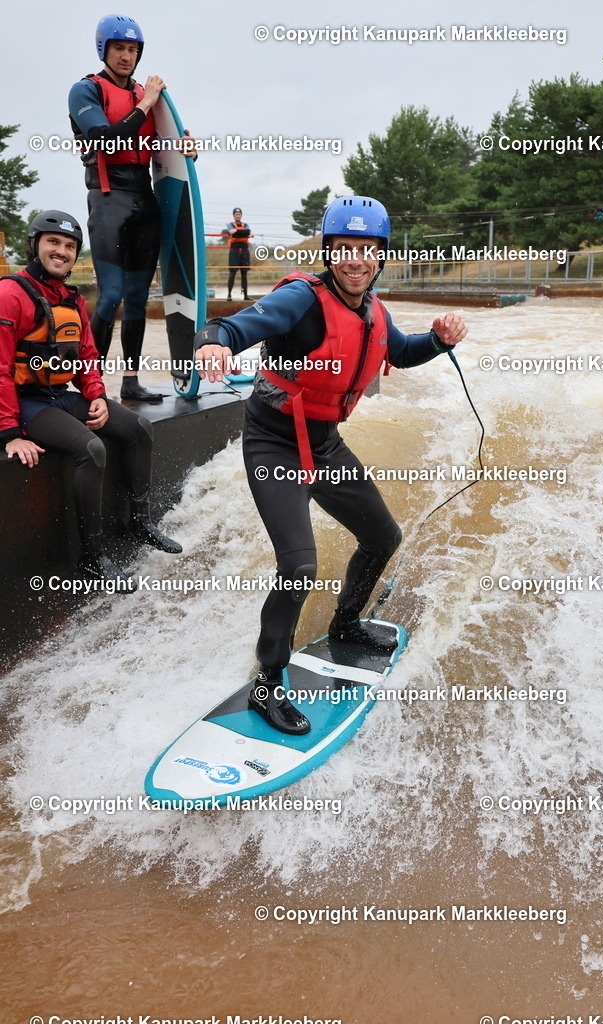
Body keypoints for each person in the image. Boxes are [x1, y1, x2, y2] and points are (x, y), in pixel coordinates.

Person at [194, 195, 467, 736]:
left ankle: (346, 624)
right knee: (298, 566)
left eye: (367, 250)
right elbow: (239, 325)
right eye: (344, 248)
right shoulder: (302, 298)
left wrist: (438, 340)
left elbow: (401, 351)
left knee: (382, 536)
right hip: (274, 442)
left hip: (323, 444)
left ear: (380, 256)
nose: (355, 260)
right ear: (329, 251)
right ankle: (268, 683)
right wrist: (211, 343)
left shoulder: (374, 310)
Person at [0, 210, 182, 589]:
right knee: (91, 448)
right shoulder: (9, 294)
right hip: (26, 403)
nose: (62, 251)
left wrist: (96, 395)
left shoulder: (70, 297)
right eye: (53, 242)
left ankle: (139, 521)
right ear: (34, 245)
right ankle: (92, 556)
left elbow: (85, 356)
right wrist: (10, 434)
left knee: (138, 427)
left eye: (69, 246)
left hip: (61, 394)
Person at [68, 14, 193, 402]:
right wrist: (147, 102)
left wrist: (185, 149)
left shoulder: (145, 95)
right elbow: (105, 139)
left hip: (145, 200)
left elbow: (163, 152)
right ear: (103, 50)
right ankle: (91, 385)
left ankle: (131, 382)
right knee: (112, 294)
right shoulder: (86, 90)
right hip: (108, 199)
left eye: (133, 49)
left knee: (139, 296)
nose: (126, 56)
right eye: (119, 48)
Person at [225, 208, 252, 301]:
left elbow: (248, 233)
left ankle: (246, 295)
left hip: (244, 250)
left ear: (241, 215)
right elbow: (231, 232)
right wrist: (242, 233)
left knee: (244, 273)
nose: (238, 216)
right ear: (233, 215)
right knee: (232, 272)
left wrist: (237, 232)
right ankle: (229, 294)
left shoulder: (246, 225)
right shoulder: (230, 224)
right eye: (236, 214)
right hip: (234, 250)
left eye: (239, 214)